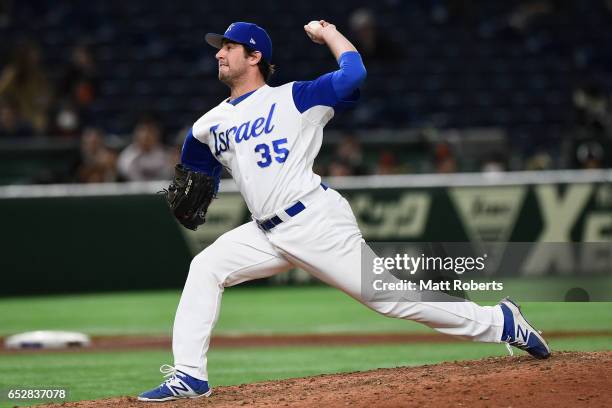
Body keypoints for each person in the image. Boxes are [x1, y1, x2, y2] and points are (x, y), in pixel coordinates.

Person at [138, 21, 550, 402]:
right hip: (264, 232)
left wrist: (331, 34)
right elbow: (196, 166)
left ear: (255, 56)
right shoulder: (208, 124)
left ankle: (501, 321)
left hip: (314, 222)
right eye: (218, 48)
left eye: (228, 47)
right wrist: (195, 183)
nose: (219, 54)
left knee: (391, 299)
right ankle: (190, 375)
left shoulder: (294, 98)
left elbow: (354, 76)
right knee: (206, 267)